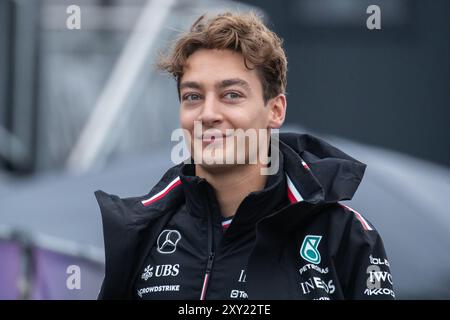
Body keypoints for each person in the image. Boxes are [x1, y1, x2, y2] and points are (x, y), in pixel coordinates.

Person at [95, 12, 395, 300]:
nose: (208, 114)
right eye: (193, 97)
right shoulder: (141, 230)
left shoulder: (345, 237)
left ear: (275, 110)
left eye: (231, 95)